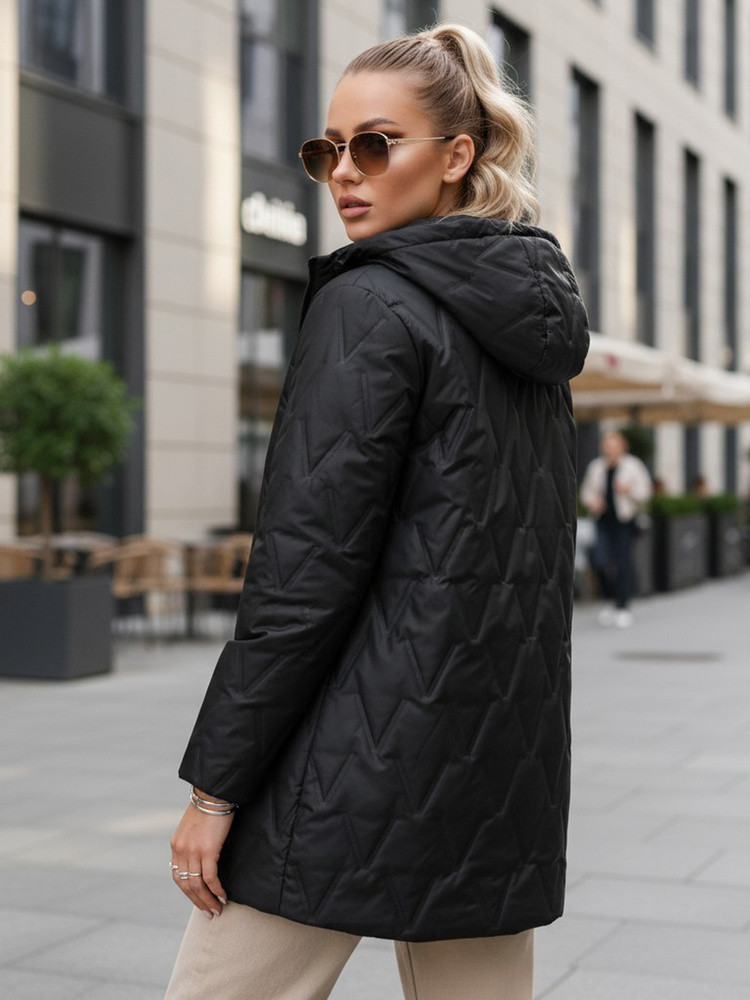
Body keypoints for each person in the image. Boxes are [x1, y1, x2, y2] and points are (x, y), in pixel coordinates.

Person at [164, 21, 589, 1000]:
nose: (344, 172)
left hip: (349, 765)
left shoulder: (370, 303)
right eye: (328, 150)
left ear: (457, 155)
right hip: (494, 770)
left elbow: (302, 575)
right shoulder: (528, 323)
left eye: (375, 144)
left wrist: (215, 790)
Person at [580, 429, 653, 628]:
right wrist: (593, 502)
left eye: (613, 446)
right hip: (602, 521)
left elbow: (646, 492)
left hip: (624, 521)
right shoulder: (596, 467)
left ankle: (623, 607)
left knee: (622, 563)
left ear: (622, 447)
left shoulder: (633, 466)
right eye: (606, 446)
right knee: (599, 561)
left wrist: (628, 490)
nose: (609, 450)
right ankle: (610, 601)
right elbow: (586, 492)